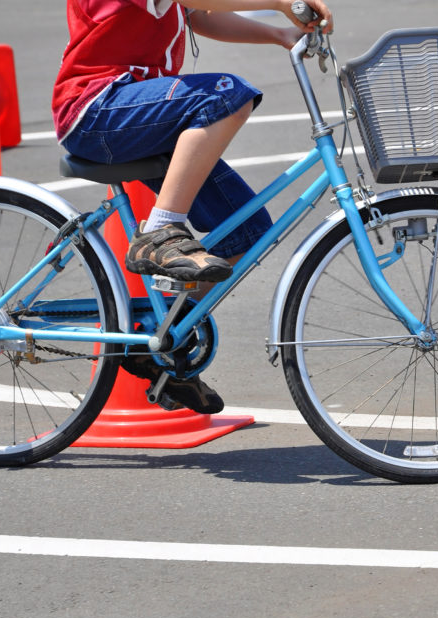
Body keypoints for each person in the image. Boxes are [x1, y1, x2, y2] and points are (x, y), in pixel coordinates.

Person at [52, 0, 333, 413]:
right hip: (96, 109)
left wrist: (280, 33)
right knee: (225, 94)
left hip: (138, 114)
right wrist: (279, 3)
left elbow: (198, 16)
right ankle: (159, 232)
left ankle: (161, 341)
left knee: (248, 233)